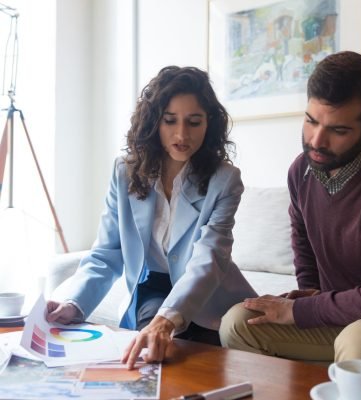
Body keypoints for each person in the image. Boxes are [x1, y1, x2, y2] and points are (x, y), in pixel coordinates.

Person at [46, 66, 257, 368]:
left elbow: (209, 259)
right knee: (153, 355)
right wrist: (73, 303)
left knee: (210, 364)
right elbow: (107, 253)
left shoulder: (224, 180)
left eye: (193, 122)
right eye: (170, 120)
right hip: (153, 290)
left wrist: (169, 318)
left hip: (209, 295)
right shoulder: (124, 172)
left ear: (208, 125)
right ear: (153, 121)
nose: (182, 134)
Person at [219, 51, 361, 380]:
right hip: (340, 319)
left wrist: (299, 310)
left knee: (358, 339)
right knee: (238, 322)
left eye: (338, 130)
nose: (316, 141)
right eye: (311, 120)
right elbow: (305, 254)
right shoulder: (302, 171)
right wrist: (308, 299)